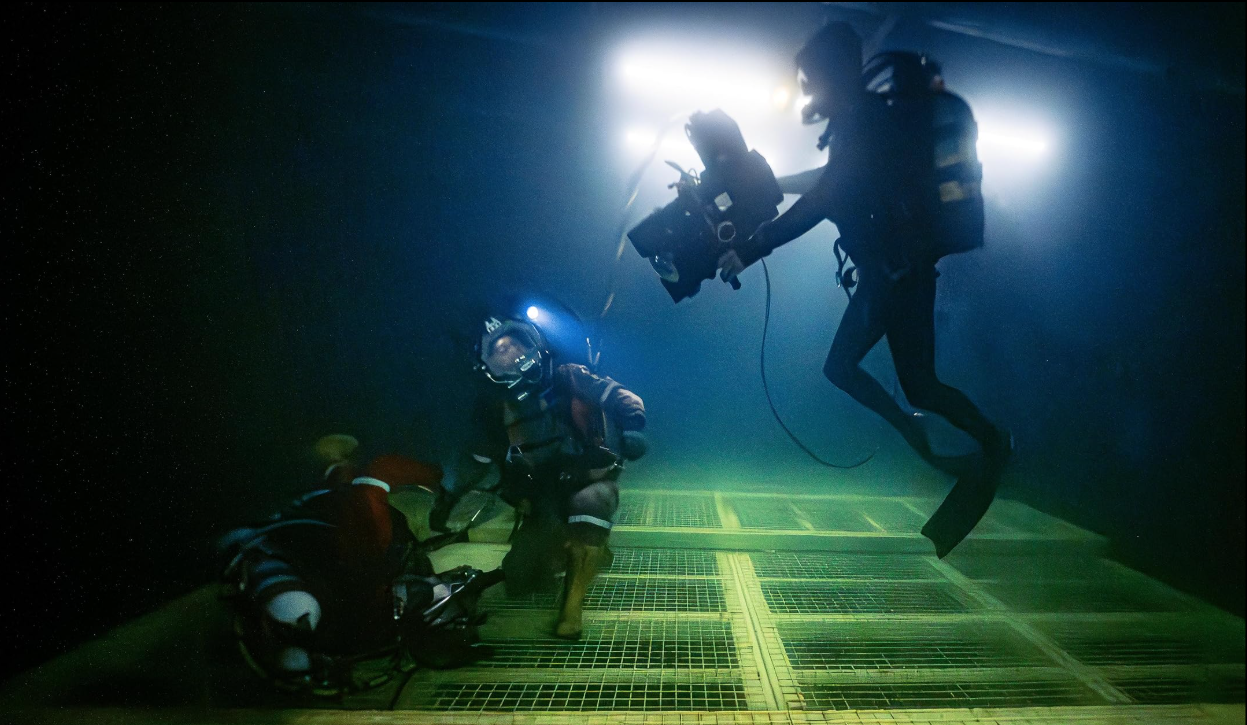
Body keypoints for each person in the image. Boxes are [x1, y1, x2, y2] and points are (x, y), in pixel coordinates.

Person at [717, 23, 1013, 557]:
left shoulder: (862, 121)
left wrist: (753, 246)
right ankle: (980, 440)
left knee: (853, 370)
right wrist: (773, 185)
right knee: (920, 385)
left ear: (831, 72)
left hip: (893, 277)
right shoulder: (866, 120)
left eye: (810, 78)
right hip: (901, 272)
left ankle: (947, 442)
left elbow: (824, 197)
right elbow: (833, 180)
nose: (807, 90)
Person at [217, 436, 499, 695]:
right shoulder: (359, 499)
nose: (342, 463)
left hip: (332, 599)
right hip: (338, 602)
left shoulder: (346, 505)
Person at [430, 313, 647, 639]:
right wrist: (450, 498)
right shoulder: (494, 407)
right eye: (500, 351)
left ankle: (572, 610)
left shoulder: (568, 376)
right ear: (487, 365)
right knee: (521, 578)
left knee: (590, 506)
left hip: (590, 479)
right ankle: (583, 551)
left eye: (517, 344)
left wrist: (632, 428)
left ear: (534, 345)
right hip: (542, 495)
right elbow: (476, 460)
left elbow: (623, 397)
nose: (513, 354)